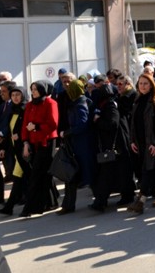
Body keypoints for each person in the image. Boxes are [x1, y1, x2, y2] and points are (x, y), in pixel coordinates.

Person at [127, 73, 155, 214]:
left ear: (151, 85)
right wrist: (132, 140)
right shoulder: (137, 101)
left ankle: (141, 201)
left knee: (147, 170)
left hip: (152, 142)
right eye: (140, 83)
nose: (143, 86)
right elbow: (133, 123)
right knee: (153, 169)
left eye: (146, 83)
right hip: (140, 142)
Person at [90, 84, 134, 212]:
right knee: (114, 173)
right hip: (116, 145)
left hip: (116, 145)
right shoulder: (108, 104)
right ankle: (103, 200)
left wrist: (98, 121)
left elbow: (113, 123)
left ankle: (102, 201)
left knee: (110, 173)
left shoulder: (110, 105)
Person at [20, 81, 60, 217]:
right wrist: (25, 142)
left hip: (47, 142)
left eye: (36, 89)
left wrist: (37, 127)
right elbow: (25, 125)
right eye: (32, 89)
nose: (33, 92)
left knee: (37, 174)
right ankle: (51, 202)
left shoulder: (50, 103)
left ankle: (31, 208)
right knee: (43, 173)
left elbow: (53, 123)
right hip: (33, 143)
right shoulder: (30, 105)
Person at [57, 79, 95, 215]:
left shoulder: (80, 103)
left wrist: (67, 133)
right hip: (78, 144)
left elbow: (82, 125)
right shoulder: (79, 102)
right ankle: (68, 204)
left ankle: (98, 200)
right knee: (75, 174)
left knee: (79, 173)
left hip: (81, 145)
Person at [0, 87, 28, 216]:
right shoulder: (13, 111)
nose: (15, 97)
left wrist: (21, 137)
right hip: (16, 150)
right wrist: (3, 148)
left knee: (25, 178)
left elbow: (27, 129)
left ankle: (13, 207)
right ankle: (9, 207)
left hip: (24, 150)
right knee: (18, 179)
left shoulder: (25, 109)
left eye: (18, 95)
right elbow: (10, 132)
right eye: (13, 95)